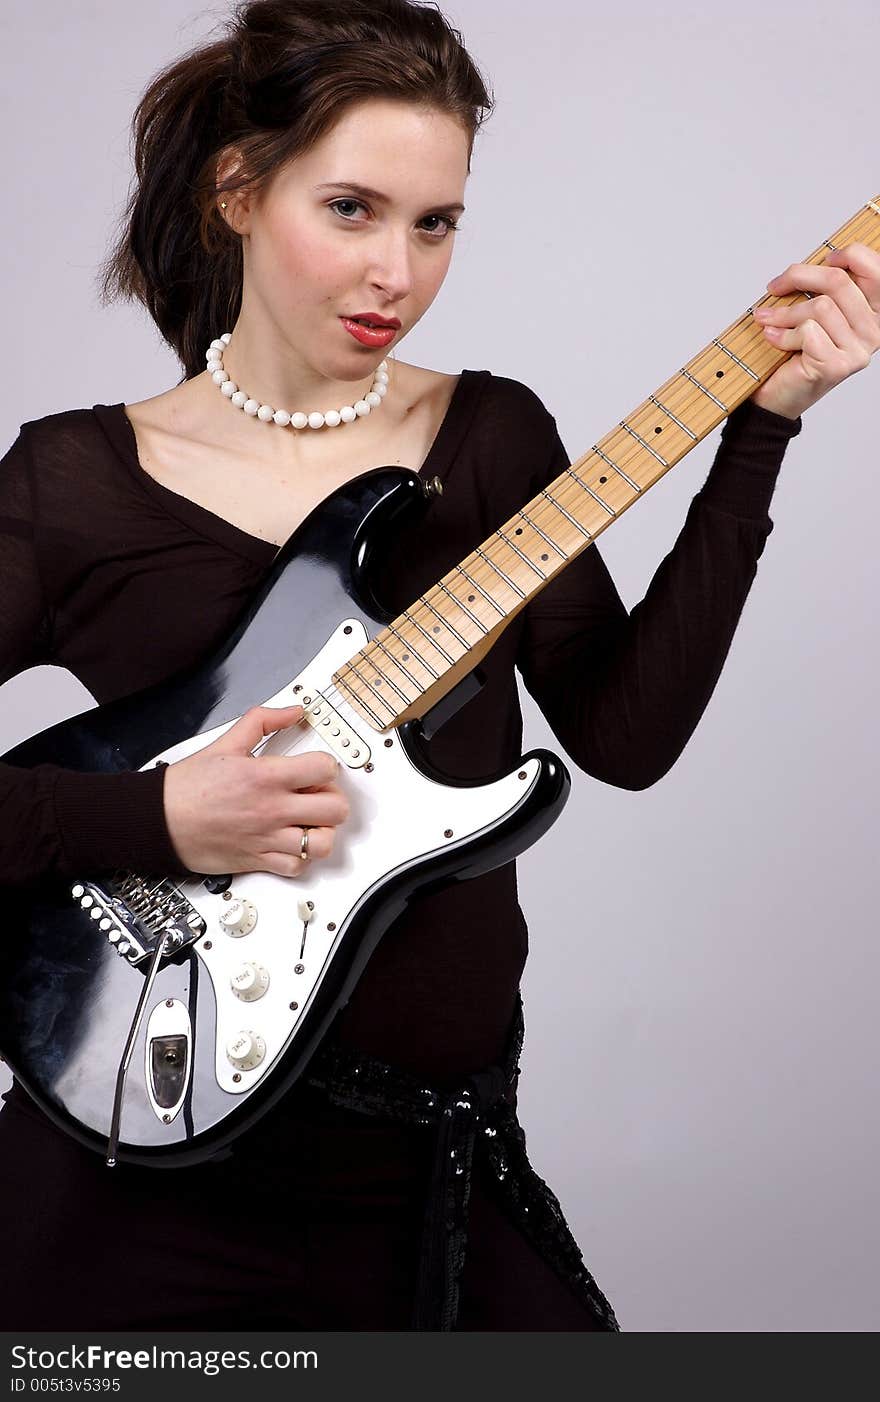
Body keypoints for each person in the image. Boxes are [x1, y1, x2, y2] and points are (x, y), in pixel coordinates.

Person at [1, 0, 877, 1333]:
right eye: (350, 209)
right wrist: (159, 816)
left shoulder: (489, 437)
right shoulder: (74, 483)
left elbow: (623, 735)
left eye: (436, 222)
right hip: (126, 1188)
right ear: (237, 191)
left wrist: (757, 436)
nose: (396, 274)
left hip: (426, 1175)